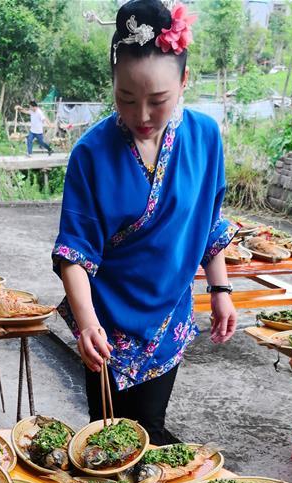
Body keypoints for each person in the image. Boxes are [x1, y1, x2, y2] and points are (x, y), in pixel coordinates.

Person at [52, 0, 238, 444]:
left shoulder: (206, 138)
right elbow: (74, 252)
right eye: (125, 99)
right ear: (113, 84)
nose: (141, 117)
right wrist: (87, 321)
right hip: (107, 324)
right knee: (107, 439)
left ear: (184, 82)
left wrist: (221, 290)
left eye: (159, 101)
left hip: (167, 319)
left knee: (150, 430)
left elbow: (209, 221)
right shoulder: (91, 154)